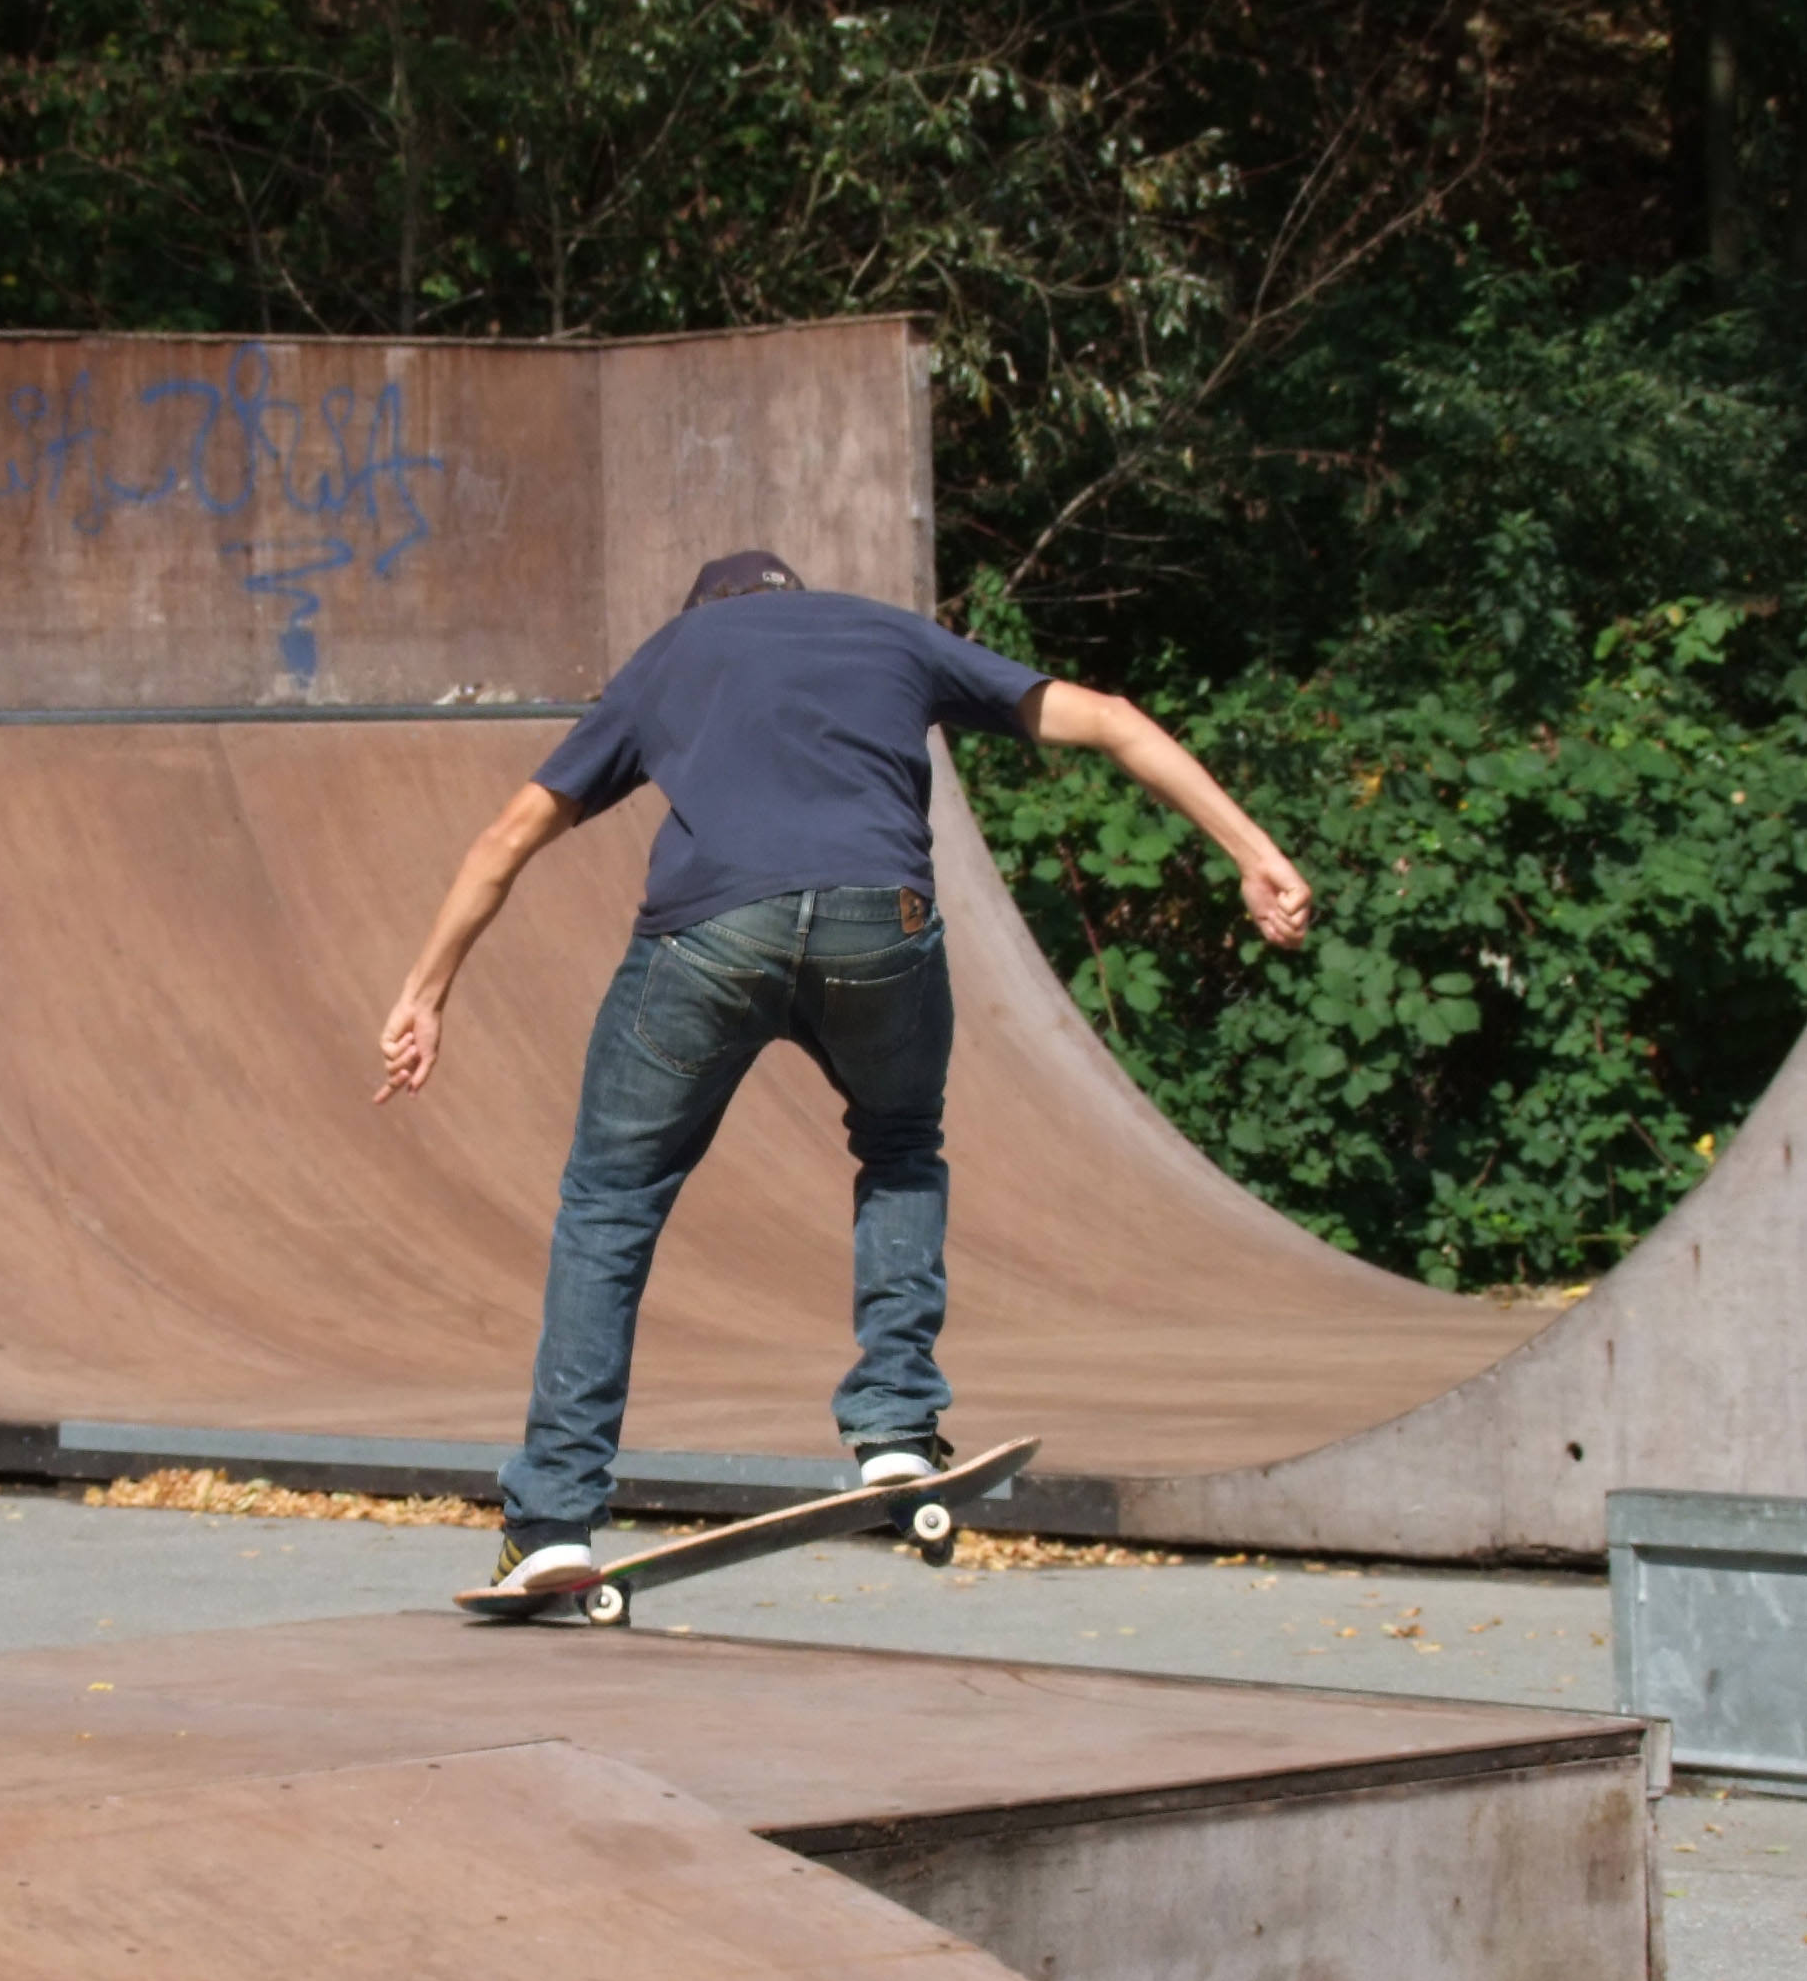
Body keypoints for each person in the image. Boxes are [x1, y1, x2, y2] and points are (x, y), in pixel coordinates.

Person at [373, 551, 1314, 1601]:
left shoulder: (677, 652)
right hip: (881, 922)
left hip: (711, 937)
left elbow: (509, 833)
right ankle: (896, 1429)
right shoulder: (887, 632)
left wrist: (425, 989)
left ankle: (552, 1520)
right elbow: (1111, 719)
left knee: (609, 1202)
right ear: (796, 598)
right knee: (900, 1145)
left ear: (708, 611)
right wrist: (1252, 851)